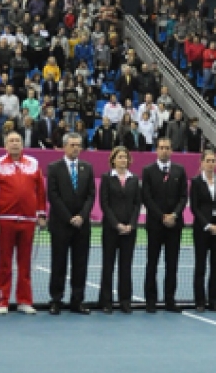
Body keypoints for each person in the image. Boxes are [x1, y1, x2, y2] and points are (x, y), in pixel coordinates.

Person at [0, 131, 46, 315]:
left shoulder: (33, 164)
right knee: (4, 262)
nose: (14, 144)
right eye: (11, 141)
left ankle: (24, 300)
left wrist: (41, 214)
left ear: (22, 144)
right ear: (5, 145)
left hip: (28, 221)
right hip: (5, 221)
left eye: (18, 141)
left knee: (25, 263)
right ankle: (3, 300)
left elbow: (41, 192)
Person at [47, 132, 96, 315]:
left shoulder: (87, 168)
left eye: (79, 145)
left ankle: (77, 301)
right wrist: (69, 217)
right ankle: (56, 300)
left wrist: (82, 216)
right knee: (58, 263)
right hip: (60, 224)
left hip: (82, 226)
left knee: (80, 264)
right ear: (65, 146)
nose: (76, 148)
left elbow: (91, 195)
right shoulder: (54, 168)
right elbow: (53, 196)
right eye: (73, 145)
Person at [141, 137, 188, 312]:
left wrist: (174, 215)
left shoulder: (180, 171)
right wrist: (162, 216)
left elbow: (184, 197)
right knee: (152, 263)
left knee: (172, 264)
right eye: (161, 147)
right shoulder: (148, 171)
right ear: (156, 150)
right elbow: (146, 197)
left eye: (167, 148)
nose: (164, 150)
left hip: (174, 226)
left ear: (172, 150)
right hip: (155, 225)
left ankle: (170, 300)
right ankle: (150, 301)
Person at [98, 146, 140, 314]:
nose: (123, 160)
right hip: (110, 229)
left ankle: (125, 301)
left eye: (125, 157)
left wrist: (130, 224)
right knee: (108, 266)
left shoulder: (134, 179)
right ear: (113, 160)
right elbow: (104, 204)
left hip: (129, 231)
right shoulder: (106, 178)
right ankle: (106, 301)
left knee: (126, 266)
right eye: (120, 157)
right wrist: (117, 224)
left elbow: (137, 204)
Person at [190, 149, 216, 313]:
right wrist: (207, 225)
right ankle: (200, 301)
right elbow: (194, 207)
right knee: (200, 266)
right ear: (202, 163)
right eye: (208, 160)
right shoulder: (196, 182)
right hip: (202, 229)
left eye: (213, 161)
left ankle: (215, 301)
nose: (211, 163)